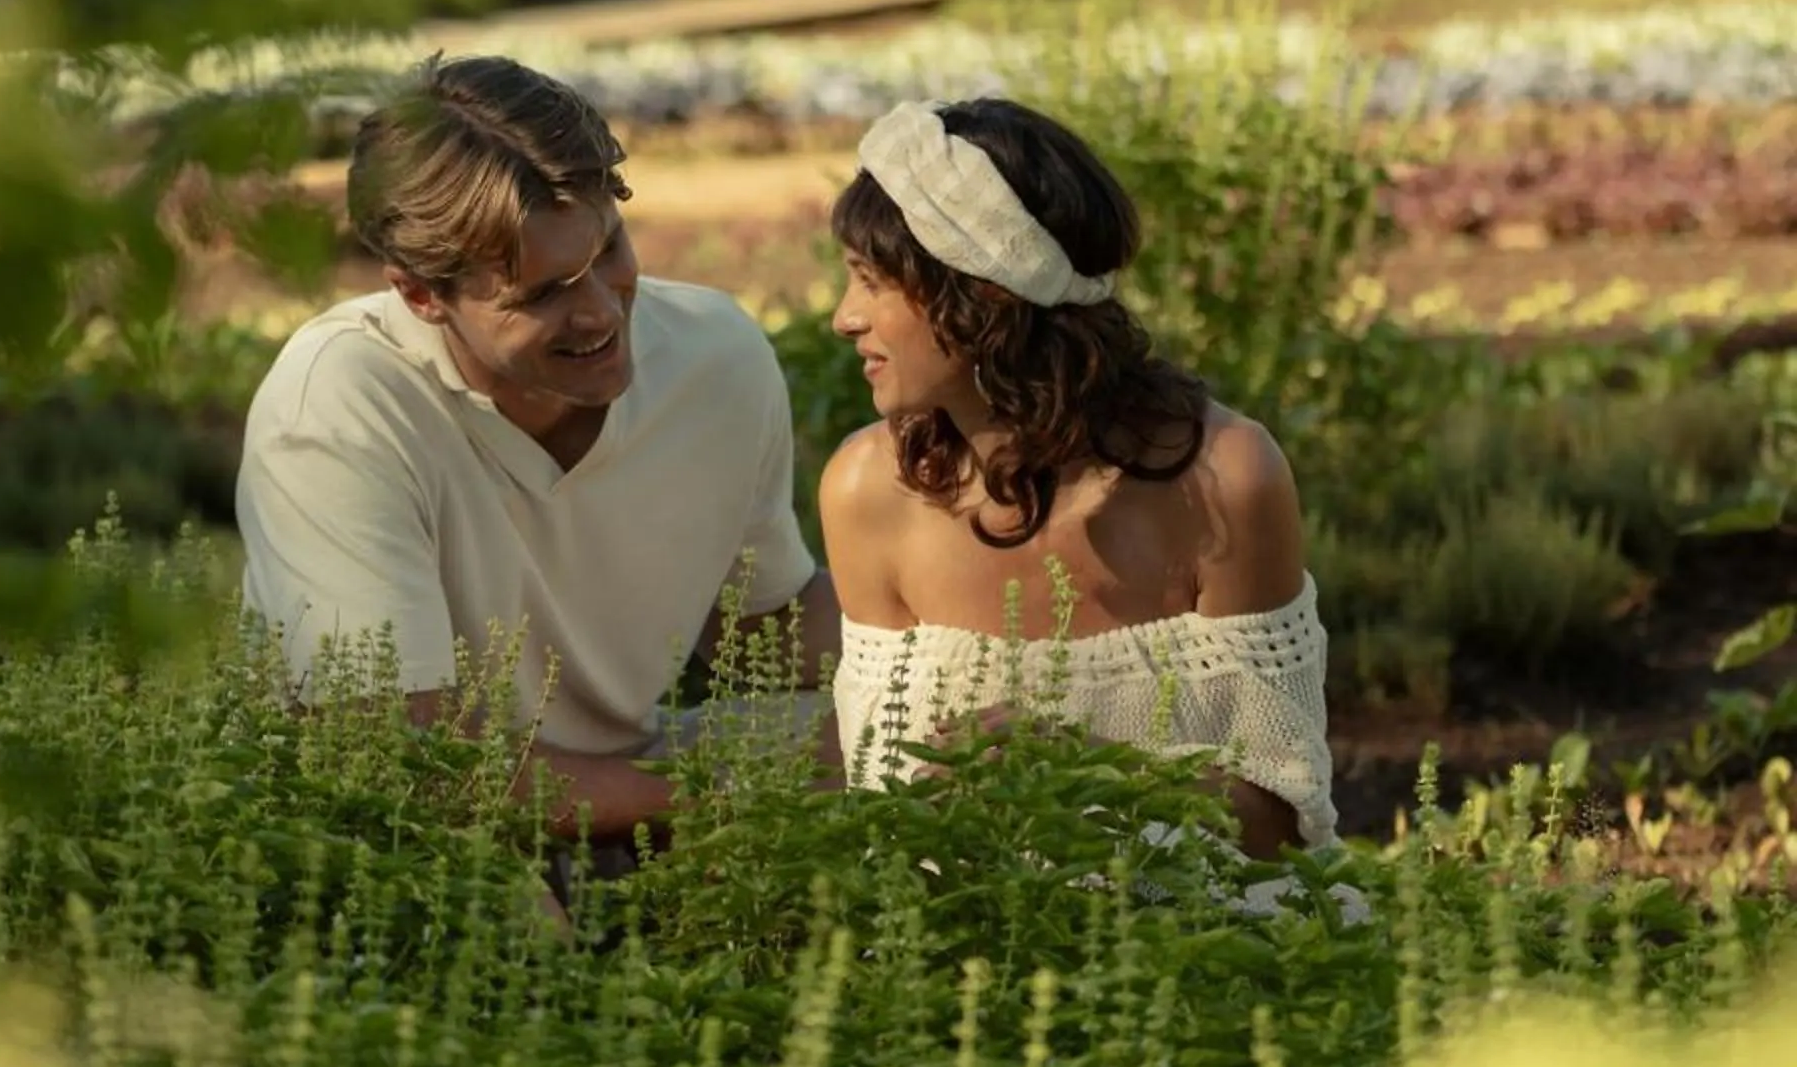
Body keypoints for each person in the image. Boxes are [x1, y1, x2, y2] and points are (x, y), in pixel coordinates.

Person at [237, 55, 839, 850]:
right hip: (416, 827)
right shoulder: (340, 406)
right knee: (478, 892)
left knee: (908, 742)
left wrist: (972, 657)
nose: (599, 314)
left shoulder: (712, 356)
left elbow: (761, 629)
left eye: (609, 255)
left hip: (632, 777)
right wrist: (721, 799)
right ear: (420, 295)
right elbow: (405, 766)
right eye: (543, 293)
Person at [818, 95, 1336, 858]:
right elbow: (885, 818)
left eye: (871, 281)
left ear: (983, 287)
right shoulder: (867, 492)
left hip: (1208, 944)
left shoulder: (1224, 479)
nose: (843, 316)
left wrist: (1087, 770)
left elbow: (1281, 830)